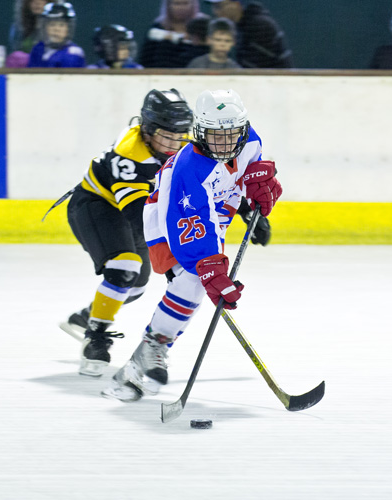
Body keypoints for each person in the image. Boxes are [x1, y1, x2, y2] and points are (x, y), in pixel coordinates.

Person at [102, 89, 282, 402]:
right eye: (216, 136)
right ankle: (152, 349)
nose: (226, 144)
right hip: (168, 218)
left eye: (232, 135)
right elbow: (189, 219)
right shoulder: (188, 170)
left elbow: (246, 173)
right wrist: (209, 266)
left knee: (196, 284)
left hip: (215, 211)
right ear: (199, 132)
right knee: (192, 282)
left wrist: (256, 197)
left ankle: (136, 367)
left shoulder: (250, 139)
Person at [59, 89, 194, 377]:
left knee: (134, 288)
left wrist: (244, 205)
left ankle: (86, 317)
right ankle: (94, 337)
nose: (173, 144)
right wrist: (171, 256)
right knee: (124, 267)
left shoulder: (183, 145)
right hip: (96, 205)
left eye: (180, 135)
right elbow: (138, 217)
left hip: (135, 211)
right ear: (146, 130)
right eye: (165, 135)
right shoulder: (130, 155)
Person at [204, 0, 293, 68]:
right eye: (214, 7)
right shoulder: (241, 27)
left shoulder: (259, 25)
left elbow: (255, 69)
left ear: (236, 4)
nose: (216, 12)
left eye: (219, 6)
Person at [139, 0, 208, 68]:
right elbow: (146, 60)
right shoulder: (158, 28)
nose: (181, 8)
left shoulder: (203, 26)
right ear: (168, 6)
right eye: (176, 3)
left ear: (193, 5)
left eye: (185, 3)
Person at [27, 1, 85, 68]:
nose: (56, 29)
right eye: (52, 25)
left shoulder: (74, 53)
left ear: (68, 29)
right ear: (44, 27)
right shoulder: (38, 49)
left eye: (61, 25)